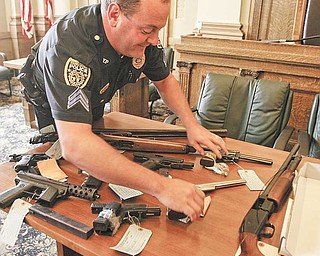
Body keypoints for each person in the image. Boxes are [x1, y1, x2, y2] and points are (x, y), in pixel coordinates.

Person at [28, 0, 228, 221]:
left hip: (94, 98)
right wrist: (162, 187)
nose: (155, 39)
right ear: (114, 14)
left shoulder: (145, 37)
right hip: (50, 103)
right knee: (65, 183)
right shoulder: (69, 44)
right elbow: (75, 145)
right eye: (148, 30)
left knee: (96, 159)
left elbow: (165, 81)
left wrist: (192, 125)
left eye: (158, 30)